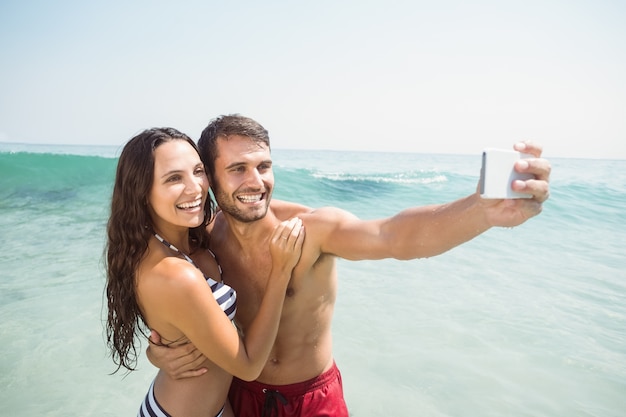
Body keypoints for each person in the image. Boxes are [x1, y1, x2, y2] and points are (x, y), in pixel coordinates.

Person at [147, 115, 552, 417]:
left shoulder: (313, 230)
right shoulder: (206, 240)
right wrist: (159, 351)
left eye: (264, 166)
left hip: (312, 399)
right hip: (240, 395)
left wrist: (481, 209)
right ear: (212, 181)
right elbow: (171, 299)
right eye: (237, 169)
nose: (255, 181)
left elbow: (394, 236)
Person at [104, 127, 305, 417]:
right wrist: (281, 271)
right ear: (143, 191)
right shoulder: (174, 274)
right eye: (174, 178)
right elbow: (248, 366)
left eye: (198, 171)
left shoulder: (192, 239)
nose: (195, 188)